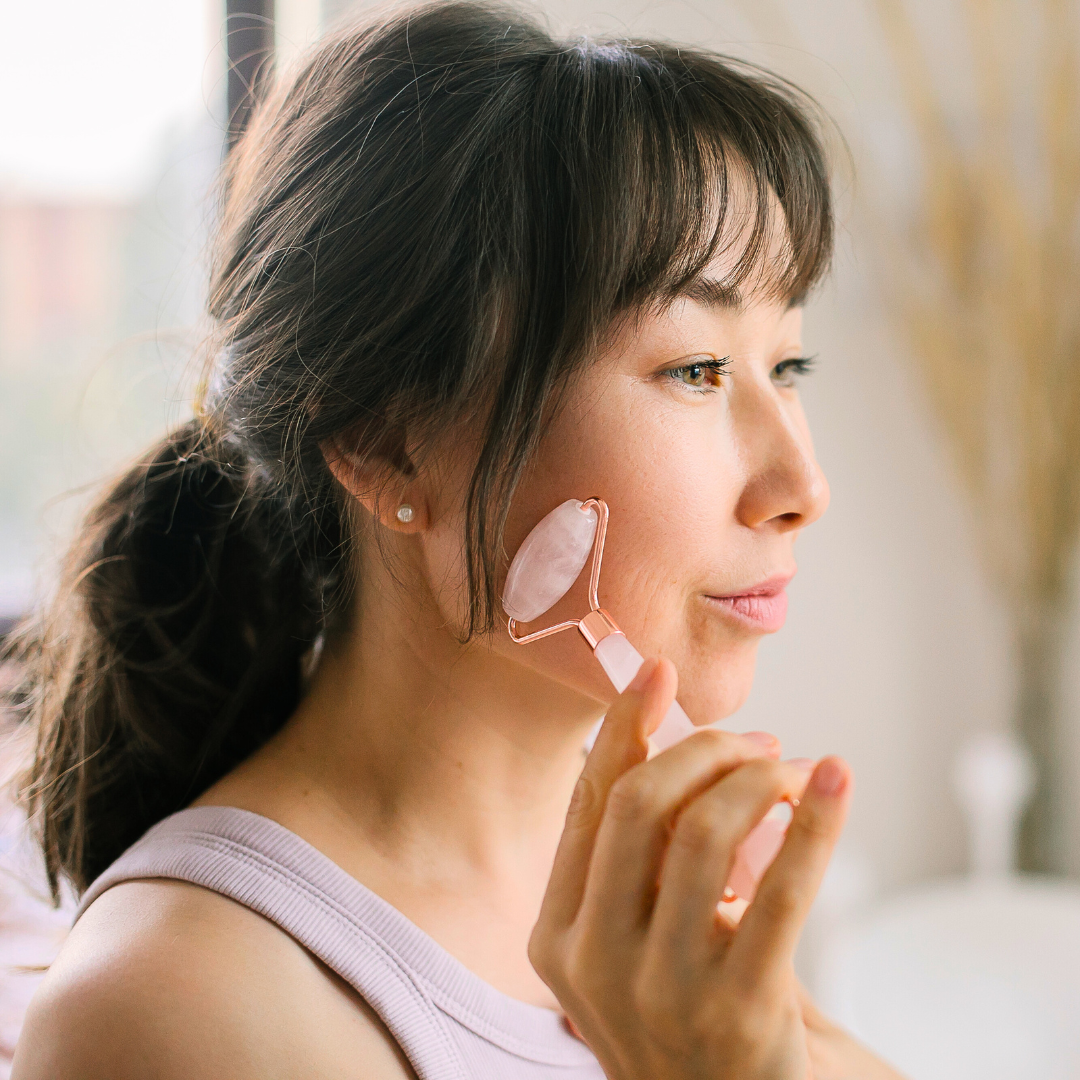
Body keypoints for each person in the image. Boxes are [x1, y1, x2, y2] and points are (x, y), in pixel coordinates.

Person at [7, 3, 904, 1077]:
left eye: (787, 366)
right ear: (387, 445)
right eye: (696, 369)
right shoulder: (179, 1006)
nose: (803, 486)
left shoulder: (655, 896)